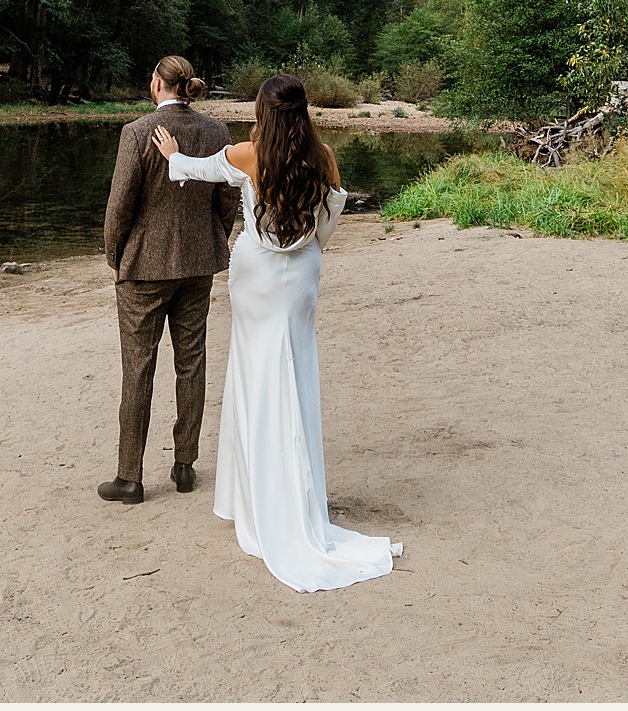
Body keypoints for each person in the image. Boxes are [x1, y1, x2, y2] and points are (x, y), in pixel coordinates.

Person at [153, 72, 403, 592]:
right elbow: (329, 224)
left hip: (257, 278)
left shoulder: (248, 155)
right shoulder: (324, 157)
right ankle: (298, 499)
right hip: (301, 278)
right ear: (303, 111)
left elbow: (196, 171)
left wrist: (172, 153)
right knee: (297, 372)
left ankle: (254, 500)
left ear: (264, 112)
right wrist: (305, 247)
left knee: (255, 376)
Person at [99, 56, 240, 505]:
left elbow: (119, 206)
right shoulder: (216, 132)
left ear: (156, 83)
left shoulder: (137, 133)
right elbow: (228, 195)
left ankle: (129, 477)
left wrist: (115, 256)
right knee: (191, 361)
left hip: (144, 268)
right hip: (198, 264)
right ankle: (185, 465)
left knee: (138, 369)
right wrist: (214, 237)